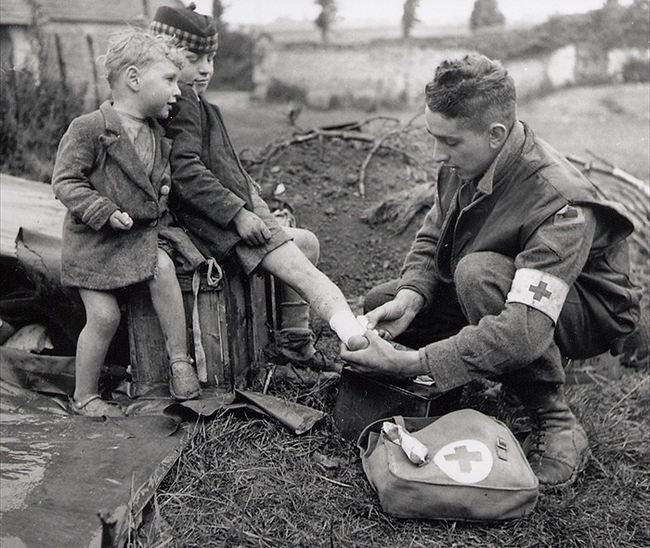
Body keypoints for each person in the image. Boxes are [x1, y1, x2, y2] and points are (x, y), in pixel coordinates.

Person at [341, 53, 642, 489]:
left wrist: (411, 362)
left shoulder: (560, 201)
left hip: (586, 309)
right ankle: (448, 386)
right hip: (507, 288)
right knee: (382, 302)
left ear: (496, 134)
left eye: (449, 142)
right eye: (434, 137)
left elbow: (525, 330)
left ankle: (555, 421)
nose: (438, 154)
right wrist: (411, 296)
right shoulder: (465, 162)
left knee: (477, 275)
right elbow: (432, 238)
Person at [149, 5, 368, 366]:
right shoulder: (184, 100)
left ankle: (294, 342)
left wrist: (250, 195)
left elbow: (213, 166)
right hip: (219, 227)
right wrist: (237, 214)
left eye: (211, 58)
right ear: (165, 59)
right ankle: (358, 342)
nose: (205, 68)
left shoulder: (194, 101)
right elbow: (185, 171)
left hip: (230, 217)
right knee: (310, 279)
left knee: (307, 244)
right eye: (193, 59)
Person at [52, 30, 205, 416]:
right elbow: (65, 181)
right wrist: (102, 210)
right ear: (135, 79)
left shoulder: (159, 136)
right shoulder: (89, 128)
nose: (178, 91)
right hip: (95, 245)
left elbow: (157, 188)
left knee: (164, 268)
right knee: (105, 316)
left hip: (137, 238)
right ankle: (85, 395)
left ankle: (179, 361)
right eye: (169, 80)